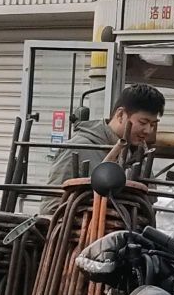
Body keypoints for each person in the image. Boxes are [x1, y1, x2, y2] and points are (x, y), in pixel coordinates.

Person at [41, 83, 165, 214]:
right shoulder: (78, 148)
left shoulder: (141, 156)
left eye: (153, 124)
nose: (148, 130)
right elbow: (51, 208)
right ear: (120, 115)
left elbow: (149, 207)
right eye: (143, 122)